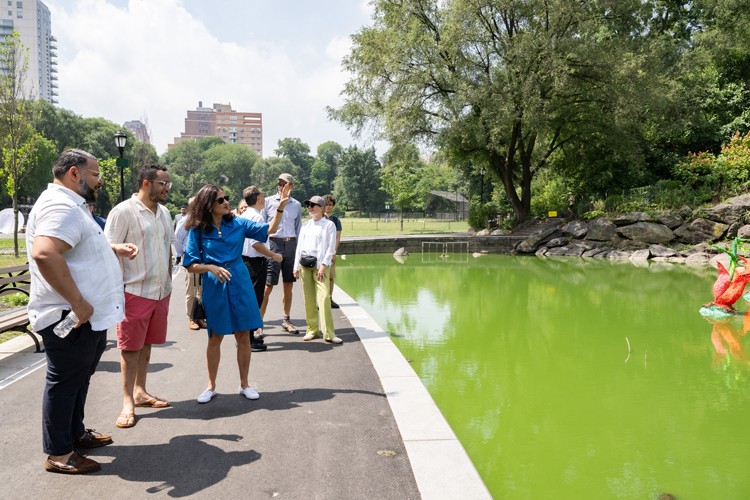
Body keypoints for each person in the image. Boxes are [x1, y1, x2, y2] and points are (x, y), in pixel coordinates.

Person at [26, 149, 138, 474]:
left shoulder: (72, 205)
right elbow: (46, 253)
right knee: (65, 382)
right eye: (95, 173)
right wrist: (77, 302)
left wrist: (110, 248)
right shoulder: (60, 205)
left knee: (78, 379)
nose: (99, 180)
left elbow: (75, 246)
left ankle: (74, 434)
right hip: (69, 316)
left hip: (84, 317)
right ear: (74, 174)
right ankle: (59, 454)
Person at [183, 183, 291, 403]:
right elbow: (190, 264)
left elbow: (269, 229)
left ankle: (245, 384)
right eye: (221, 200)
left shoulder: (238, 223)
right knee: (215, 337)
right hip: (214, 284)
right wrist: (210, 267)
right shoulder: (198, 230)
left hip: (240, 281)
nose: (226, 202)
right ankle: (211, 386)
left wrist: (280, 207)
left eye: (226, 198)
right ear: (209, 205)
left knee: (243, 334)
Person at [105, 164, 174, 429]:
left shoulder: (165, 212)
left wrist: (168, 280)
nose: (167, 188)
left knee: (146, 344)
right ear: (146, 183)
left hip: (160, 291)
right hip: (133, 290)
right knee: (129, 347)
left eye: (168, 183)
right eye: (162, 183)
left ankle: (140, 391)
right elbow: (104, 247)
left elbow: (168, 249)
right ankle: (127, 401)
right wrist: (116, 247)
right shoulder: (123, 211)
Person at [240, 185, 283, 352]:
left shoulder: (246, 214)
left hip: (246, 261)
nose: (265, 198)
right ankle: (249, 340)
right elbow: (256, 243)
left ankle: (247, 338)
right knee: (253, 302)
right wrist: (273, 255)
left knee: (249, 301)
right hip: (254, 262)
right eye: (263, 196)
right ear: (257, 198)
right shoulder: (256, 217)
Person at [294, 195, 341, 344]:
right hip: (305, 265)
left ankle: (329, 333)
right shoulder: (306, 225)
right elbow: (299, 247)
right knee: (308, 299)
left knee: (325, 297)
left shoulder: (329, 225)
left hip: (320, 266)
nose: (310, 207)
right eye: (308, 205)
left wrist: (323, 265)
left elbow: (331, 247)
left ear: (321, 207)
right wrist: (296, 266)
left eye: (313, 205)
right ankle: (312, 329)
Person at [261, 173, 302, 334]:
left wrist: (298, 251)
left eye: (284, 184)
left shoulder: (296, 205)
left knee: (288, 284)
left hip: (291, 244)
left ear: (290, 186)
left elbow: (298, 228)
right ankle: (258, 323)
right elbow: (263, 227)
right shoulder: (268, 202)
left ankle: (286, 319)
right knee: (268, 285)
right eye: (279, 184)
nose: (280, 187)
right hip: (274, 243)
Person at [175, 197, 204, 330]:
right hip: (191, 258)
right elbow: (177, 238)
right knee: (191, 290)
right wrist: (182, 254)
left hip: (204, 259)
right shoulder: (186, 220)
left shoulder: (205, 219)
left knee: (202, 289)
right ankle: (191, 318)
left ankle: (200, 317)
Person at [323, 194, 342, 309]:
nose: (328, 207)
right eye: (326, 205)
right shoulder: (320, 218)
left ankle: (329, 298)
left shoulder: (336, 220)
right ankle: (320, 300)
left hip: (331, 253)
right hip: (320, 253)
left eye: (330, 205)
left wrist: (334, 252)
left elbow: (337, 237)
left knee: (330, 277)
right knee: (320, 276)